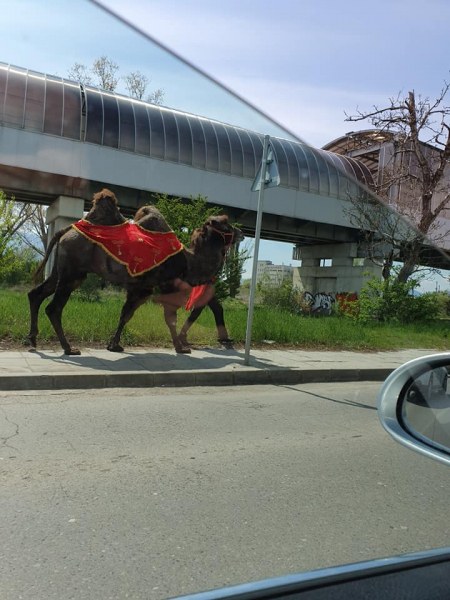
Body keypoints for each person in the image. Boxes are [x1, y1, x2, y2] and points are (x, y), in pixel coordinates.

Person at [178, 283, 233, 348]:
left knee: (217, 310)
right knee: (196, 313)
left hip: (206, 289)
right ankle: (181, 335)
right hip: (204, 290)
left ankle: (223, 336)